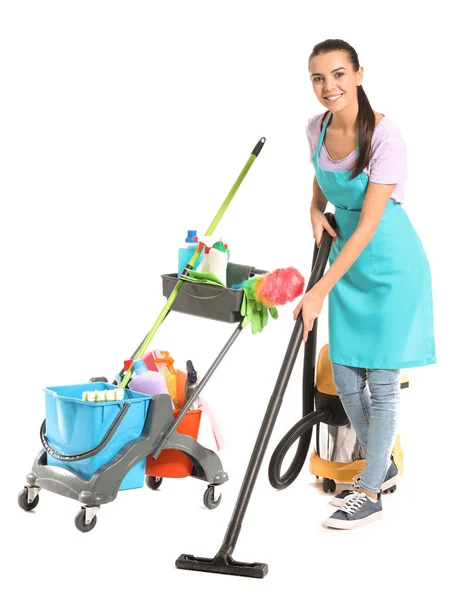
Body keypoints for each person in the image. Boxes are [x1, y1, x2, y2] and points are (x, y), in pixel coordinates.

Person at [293, 39, 436, 529]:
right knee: (347, 375)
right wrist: (313, 208)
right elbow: (321, 178)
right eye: (317, 78)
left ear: (357, 74)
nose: (327, 86)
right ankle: (383, 467)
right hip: (347, 261)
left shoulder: (384, 137)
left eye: (337, 74)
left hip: (390, 262)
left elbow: (370, 223)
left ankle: (371, 488)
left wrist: (319, 291)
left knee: (380, 380)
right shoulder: (316, 129)